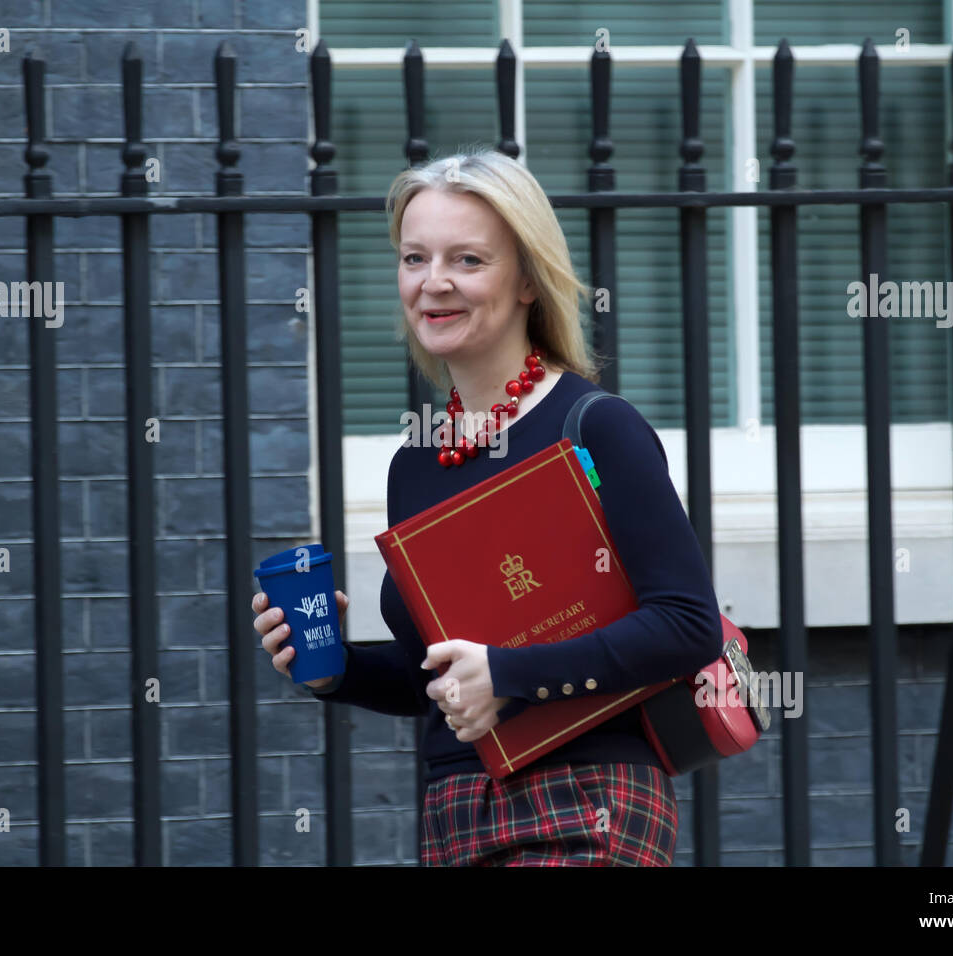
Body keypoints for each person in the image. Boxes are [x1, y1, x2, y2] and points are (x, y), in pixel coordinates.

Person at [251, 146, 722, 866]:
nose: (434, 283)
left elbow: (689, 627)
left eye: (467, 260)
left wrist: (507, 673)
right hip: (455, 811)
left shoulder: (596, 426)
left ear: (528, 279)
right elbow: (435, 682)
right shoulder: (415, 464)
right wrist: (334, 670)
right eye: (415, 259)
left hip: (589, 799)